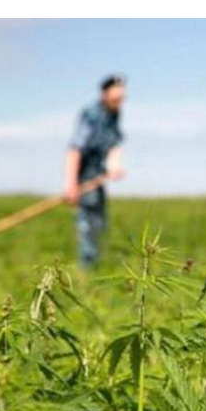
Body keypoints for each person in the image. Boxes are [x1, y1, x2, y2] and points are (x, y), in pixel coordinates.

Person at [65, 75, 127, 267]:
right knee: (88, 226)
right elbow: (75, 150)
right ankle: (86, 271)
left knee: (100, 224)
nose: (119, 103)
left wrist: (114, 166)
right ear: (104, 95)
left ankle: (96, 267)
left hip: (99, 176)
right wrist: (71, 184)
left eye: (122, 99)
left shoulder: (114, 114)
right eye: (116, 99)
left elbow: (114, 144)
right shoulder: (91, 114)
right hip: (85, 177)